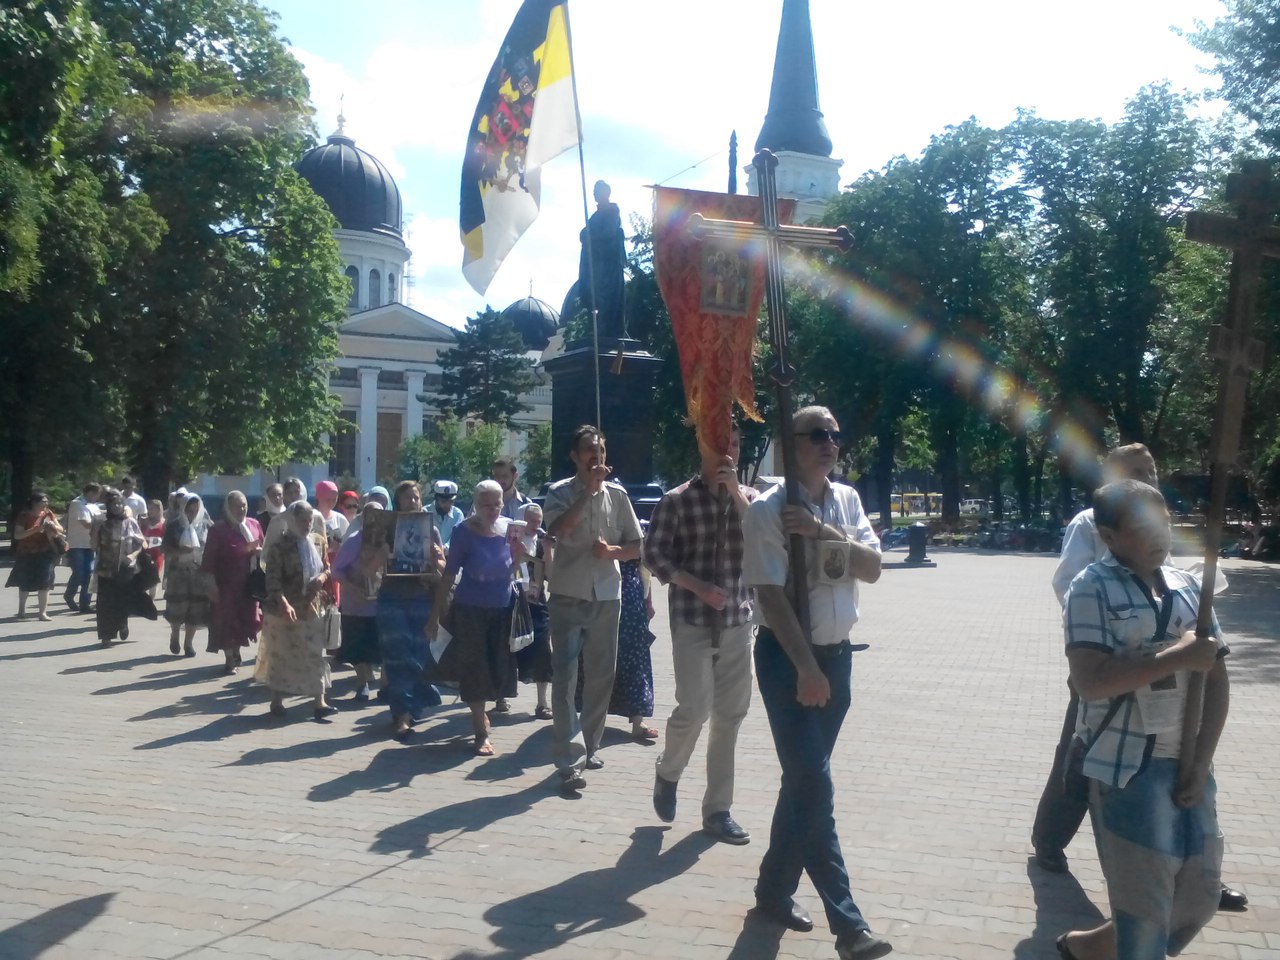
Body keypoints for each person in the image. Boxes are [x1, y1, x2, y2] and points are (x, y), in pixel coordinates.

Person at [1033, 444, 1247, 913]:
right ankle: (1049, 842)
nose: (1150, 477)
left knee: (1182, 889)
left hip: (1173, 725)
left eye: (1152, 470)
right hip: (1105, 670)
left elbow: (1215, 673)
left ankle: (1105, 936)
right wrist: (1120, 631)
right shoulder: (1089, 530)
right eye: (1138, 472)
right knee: (1082, 758)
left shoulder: (1177, 574)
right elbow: (1069, 589)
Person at [1055, 480, 1229, 960]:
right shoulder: (1090, 588)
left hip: (1188, 759)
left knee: (1198, 893)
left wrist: (1202, 761)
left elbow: (1216, 678)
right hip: (1129, 768)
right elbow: (1090, 681)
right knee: (1146, 911)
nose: (1160, 537)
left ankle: (1090, 947)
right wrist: (1177, 655)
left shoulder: (1190, 587)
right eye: (1142, 529)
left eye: (1165, 523)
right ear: (1109, 537)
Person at [743, 405, 892, 960]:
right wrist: (804, 667)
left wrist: (822, 531)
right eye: (817, 435)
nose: (830, 442)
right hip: (789, 662)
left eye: (835, 433)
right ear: (791, 442)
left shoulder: (846, 501)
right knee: (815, 784)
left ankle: (773, 889)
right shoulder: (767, 509)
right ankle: (849, 926)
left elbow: (873, 567)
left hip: (838, 658)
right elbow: (770, 595)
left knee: (802, 783)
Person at [644, 425, 756, 845]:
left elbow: (766, 541)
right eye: (721, 442)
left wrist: (737, 496)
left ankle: (718, 810)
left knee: (730, 715)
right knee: (694, 708)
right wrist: (696, 586)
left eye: (736, 443)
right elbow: (653, 553)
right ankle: (668, 772)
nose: (730, 450)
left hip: (738, 622)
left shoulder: (752, 500)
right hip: (692, 619)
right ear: (703, 448)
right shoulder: (677, 500)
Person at [543, 425, 643, 793]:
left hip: (606, 596)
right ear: (575, 456)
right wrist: (587, 493)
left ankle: (592, 743)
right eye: (588, 451)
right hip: (568, 595)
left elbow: (637, 545)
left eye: (600, 451)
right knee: (566, 677)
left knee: (602, 675)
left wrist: (613, 553)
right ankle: (569, 760)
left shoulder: (618, 496)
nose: (595, 457)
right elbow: (557, 530)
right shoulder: (559, 492)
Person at [428, 480, 520, 756]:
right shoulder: (463, 531)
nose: (492, 509)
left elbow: (514, 567)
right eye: (486, 504)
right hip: (470, 609)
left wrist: (523, 554)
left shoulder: (509, 528)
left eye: (497, 504)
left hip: (502, 608)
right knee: (474, 667)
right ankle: (480, 730)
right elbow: (449, 573)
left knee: (496, 668)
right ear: (475, 505)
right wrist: (435, 614)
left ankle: (483, 714)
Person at [256, 500, 336, 720]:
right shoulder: (279, 547)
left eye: (310, 520)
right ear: (292, 520)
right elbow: (272, 582)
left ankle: (320, 701)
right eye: (302, 520)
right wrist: (285, 604)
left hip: (312, 607)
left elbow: (327, 568)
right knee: (282, 654)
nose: (307, 524)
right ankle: (276, 700)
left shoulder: (319, 542)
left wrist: (321, 578)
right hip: (283, 610)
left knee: (315, 654)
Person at [378, 480, 444, 738]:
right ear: (398, 502)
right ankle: (402, 715)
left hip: (421, 598)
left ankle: (413, 706)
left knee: (418, 655)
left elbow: (442, 568)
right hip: (392, 599)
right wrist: (382, 553)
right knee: (397, 656)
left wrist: (436, 556)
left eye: (416, 498)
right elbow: (366, 566)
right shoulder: (385, 530)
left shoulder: (431, 530)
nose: (413, 502)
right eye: (407, 498)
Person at [201, 491, 264, 674]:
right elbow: (209, 559)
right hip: (226, 584)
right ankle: (230, 657)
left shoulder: (254, 524)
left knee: (248, 619)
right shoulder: (218, 530)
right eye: (237, 505)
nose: (241, 509)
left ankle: (236, 651)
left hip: (250, 584)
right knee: (227, 621)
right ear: (228, 508)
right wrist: (210, 584)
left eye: (244, 505)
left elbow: (265, 548)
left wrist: (258, 551)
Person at [332, 502, 384, 701]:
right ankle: (362, 684)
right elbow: (336, 570)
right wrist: (352, 586)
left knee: (378, 646)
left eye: (379, 515)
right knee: (357, 647)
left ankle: (384, 687)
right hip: (356, 604)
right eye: (370, 515)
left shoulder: (387, 540)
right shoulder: (354, 541)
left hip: (380, 604)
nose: (374, 520)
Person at [513, 502, 553, 719]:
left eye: (539, 521)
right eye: (531, 521)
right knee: (508, 648)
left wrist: (548, 550)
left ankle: (542, 702)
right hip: (512, 600)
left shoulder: (541, 542)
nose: (535, 526)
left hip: (537, 601)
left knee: (543, 649)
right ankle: (501, 696)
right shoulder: (509, 540)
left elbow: (551, 574)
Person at [92, 488, 146, 646]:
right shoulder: (102, 522)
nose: (116, 507)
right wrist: (95, 530)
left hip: (125, 568)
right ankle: (106, 635)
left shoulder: (130, 522)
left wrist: (132, 556)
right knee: (104, 603)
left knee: (122, 600)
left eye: (119, 504)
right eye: (113, 504)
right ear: (108, 506)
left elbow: (140, 544)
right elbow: (93, 545)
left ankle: (122, 624)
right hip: (105, 568)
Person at [163, 493, 212, 657]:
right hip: (178, 572)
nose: (192, 514)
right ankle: (175, 635)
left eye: (195, 511)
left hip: (199, 572)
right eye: (189, 510)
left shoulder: (205, 526)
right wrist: (179, 551)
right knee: (178, 606)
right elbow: (165, 548)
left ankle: (188, 644)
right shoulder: (174, 525)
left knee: (196, 608)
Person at [7, 491, 63, 621]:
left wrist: (53, 525)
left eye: (46, 502)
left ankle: (42, 612)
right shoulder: (24, 516)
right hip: (27, 553)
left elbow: (61, 529)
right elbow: (18, 535)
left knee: (45, 582)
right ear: (33, 503)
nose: (45, 504)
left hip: (46, 551)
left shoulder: (48, 514)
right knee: (25, 583)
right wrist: (37, 529)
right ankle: (21, 610)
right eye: (42, 502)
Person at [63, 482, 102, 613]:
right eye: (97, 495)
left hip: (90, 544)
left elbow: (99, 518)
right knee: (79, 573)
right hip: (77, 544)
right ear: (90, 493)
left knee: (89, 575)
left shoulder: (94, 505)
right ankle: (69, 595)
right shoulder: (77, 503)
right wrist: (102, 524)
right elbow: (85, 523)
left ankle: (85, 604)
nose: (97, 498)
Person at [138, 499, 166, 598]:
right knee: (143, 574)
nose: (150, 511)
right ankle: (143, 598)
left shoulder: (164, 522)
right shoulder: (144, 521)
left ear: (159, 510)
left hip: (157, 552)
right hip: (145, 552)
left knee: (155, 575)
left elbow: (166, 537)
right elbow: (138, 534)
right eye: (149, 508)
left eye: (152, 509)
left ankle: (151, 598)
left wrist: (160, 541)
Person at [491, 456, 532, 520]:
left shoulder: (526, 504)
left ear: (515, 476)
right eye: (497, 476)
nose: (500, 480)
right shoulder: (485, 502)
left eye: (505, 476)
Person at [431, 480, 465, 548]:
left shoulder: (458, 514)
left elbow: (458, 538)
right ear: (436, 499)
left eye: (451, 501)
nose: (447, 505)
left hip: (451, 555)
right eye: (443, 502)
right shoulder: (425, 512)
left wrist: (444, 549)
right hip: (429, 555)